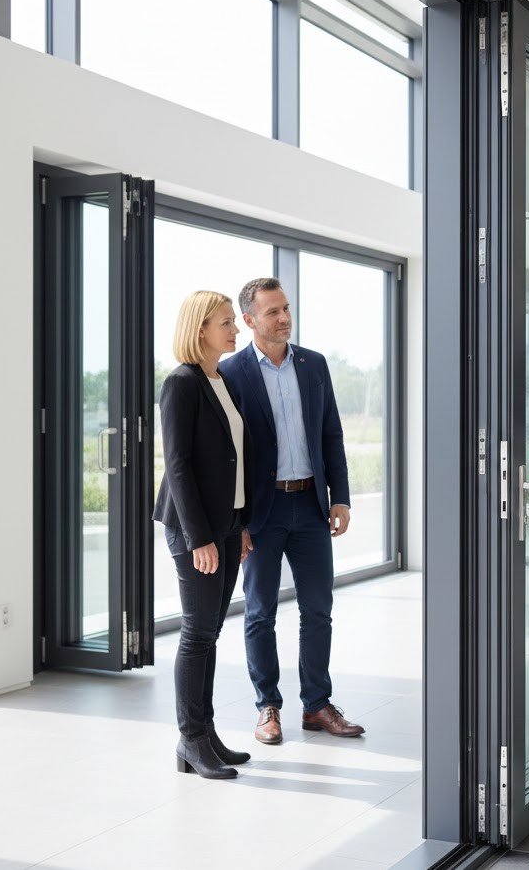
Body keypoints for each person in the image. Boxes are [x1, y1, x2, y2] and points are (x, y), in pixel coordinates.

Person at [219, 277, 364, 745]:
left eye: (286, 309)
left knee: (318, 608)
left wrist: (338, 496)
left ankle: (317, 705)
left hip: (309, 504)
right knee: (259, 612)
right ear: (249, 320)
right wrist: (236, 521)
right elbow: (228, 455)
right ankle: (268, 707)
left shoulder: (314, 364)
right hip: (262, 511)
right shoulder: (231, 372)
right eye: (272, 312)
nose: (283, 318)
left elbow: (331, 435)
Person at [153, 290, 255, 780]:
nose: (235, 330)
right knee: (197, 633)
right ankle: (191, 739)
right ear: (200, 331)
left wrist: (242, 523)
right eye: (226, 322)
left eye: (233, 321)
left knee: (210, 632)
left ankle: (204, 734)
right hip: (196, 531)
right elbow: (176, 465)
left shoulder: (223, 381)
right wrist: (199, 538)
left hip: (228, 525)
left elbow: (236, 459)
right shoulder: (182, 383)